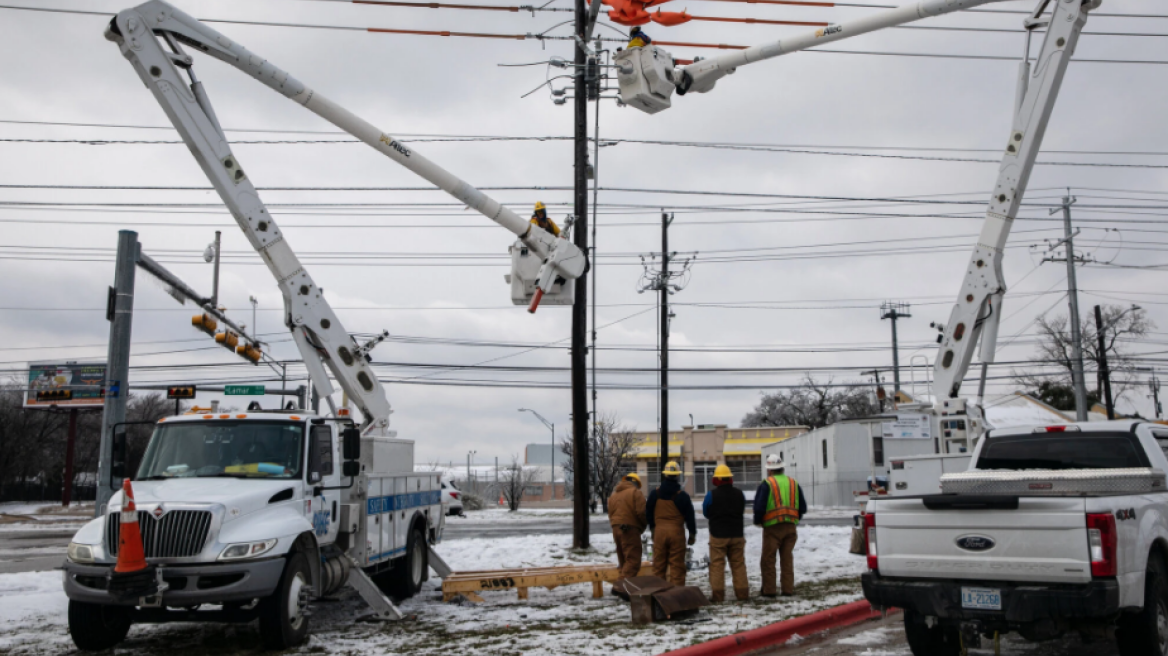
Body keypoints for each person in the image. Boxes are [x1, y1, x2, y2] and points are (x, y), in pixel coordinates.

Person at [753, 453, 807, 597]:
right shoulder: (793, 483)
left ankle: (769, 591)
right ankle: (787, 589)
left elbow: (759, 507)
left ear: (769, 470)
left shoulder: (767, 484)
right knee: (787, 559)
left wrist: (758, 521)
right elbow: (802, 507)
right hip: (790, 527)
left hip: (772, 527)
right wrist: (794, 519)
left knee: (768, 560)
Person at [702, 463, 748, 602]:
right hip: (737, 534)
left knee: (717, 565)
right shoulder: (739, 493)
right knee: (738, 564)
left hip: (718, 535)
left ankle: (718, 596)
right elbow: (741, 509)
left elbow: (705, 511)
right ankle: (742, 594)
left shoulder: (711, 494)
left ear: (717, 479)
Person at [646, 461, 696, 586]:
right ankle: (676, 597)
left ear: (665, 475)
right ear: (677, 476)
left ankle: (658, 595)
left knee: (658, 566)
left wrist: (652, 528)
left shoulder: (654, 494)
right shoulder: (682, 496)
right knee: (677, 567)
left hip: (659, 533)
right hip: (676, 533)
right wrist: (692, 534)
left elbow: (648, 512)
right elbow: (690, 516)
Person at [607, 472, 648, 594]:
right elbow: (642, 512)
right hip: (629, 528)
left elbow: (610, 514)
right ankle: (619, 587)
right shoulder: (635, 493)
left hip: (616, 528)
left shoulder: (614, 495)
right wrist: (642, 526)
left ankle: (628, 588)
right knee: (633, 560)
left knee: (624, 561)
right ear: (635, 483)